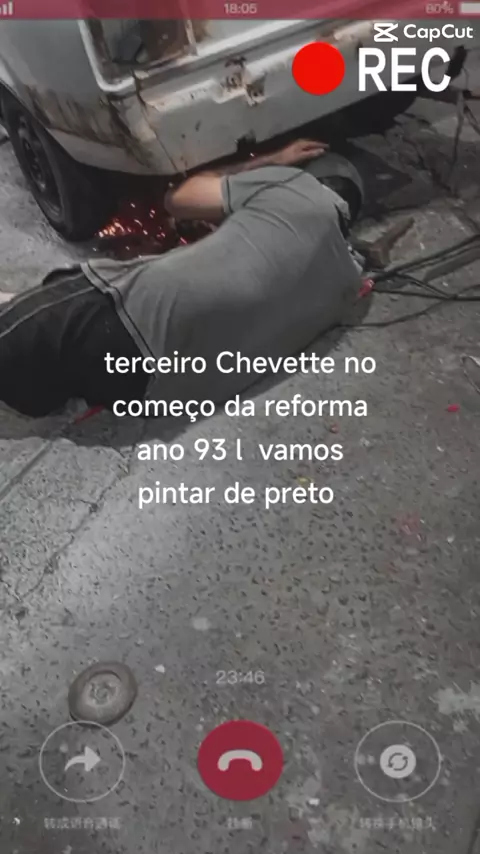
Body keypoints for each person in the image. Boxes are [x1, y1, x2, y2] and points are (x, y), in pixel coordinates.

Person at [0, 138, 363, 419]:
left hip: (136, 321)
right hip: (154, 394)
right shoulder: (347, 281)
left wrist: (274, 160)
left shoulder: (294, 185)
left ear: (310, 174)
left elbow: (178, 199)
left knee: (22, 332)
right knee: (46, 343)